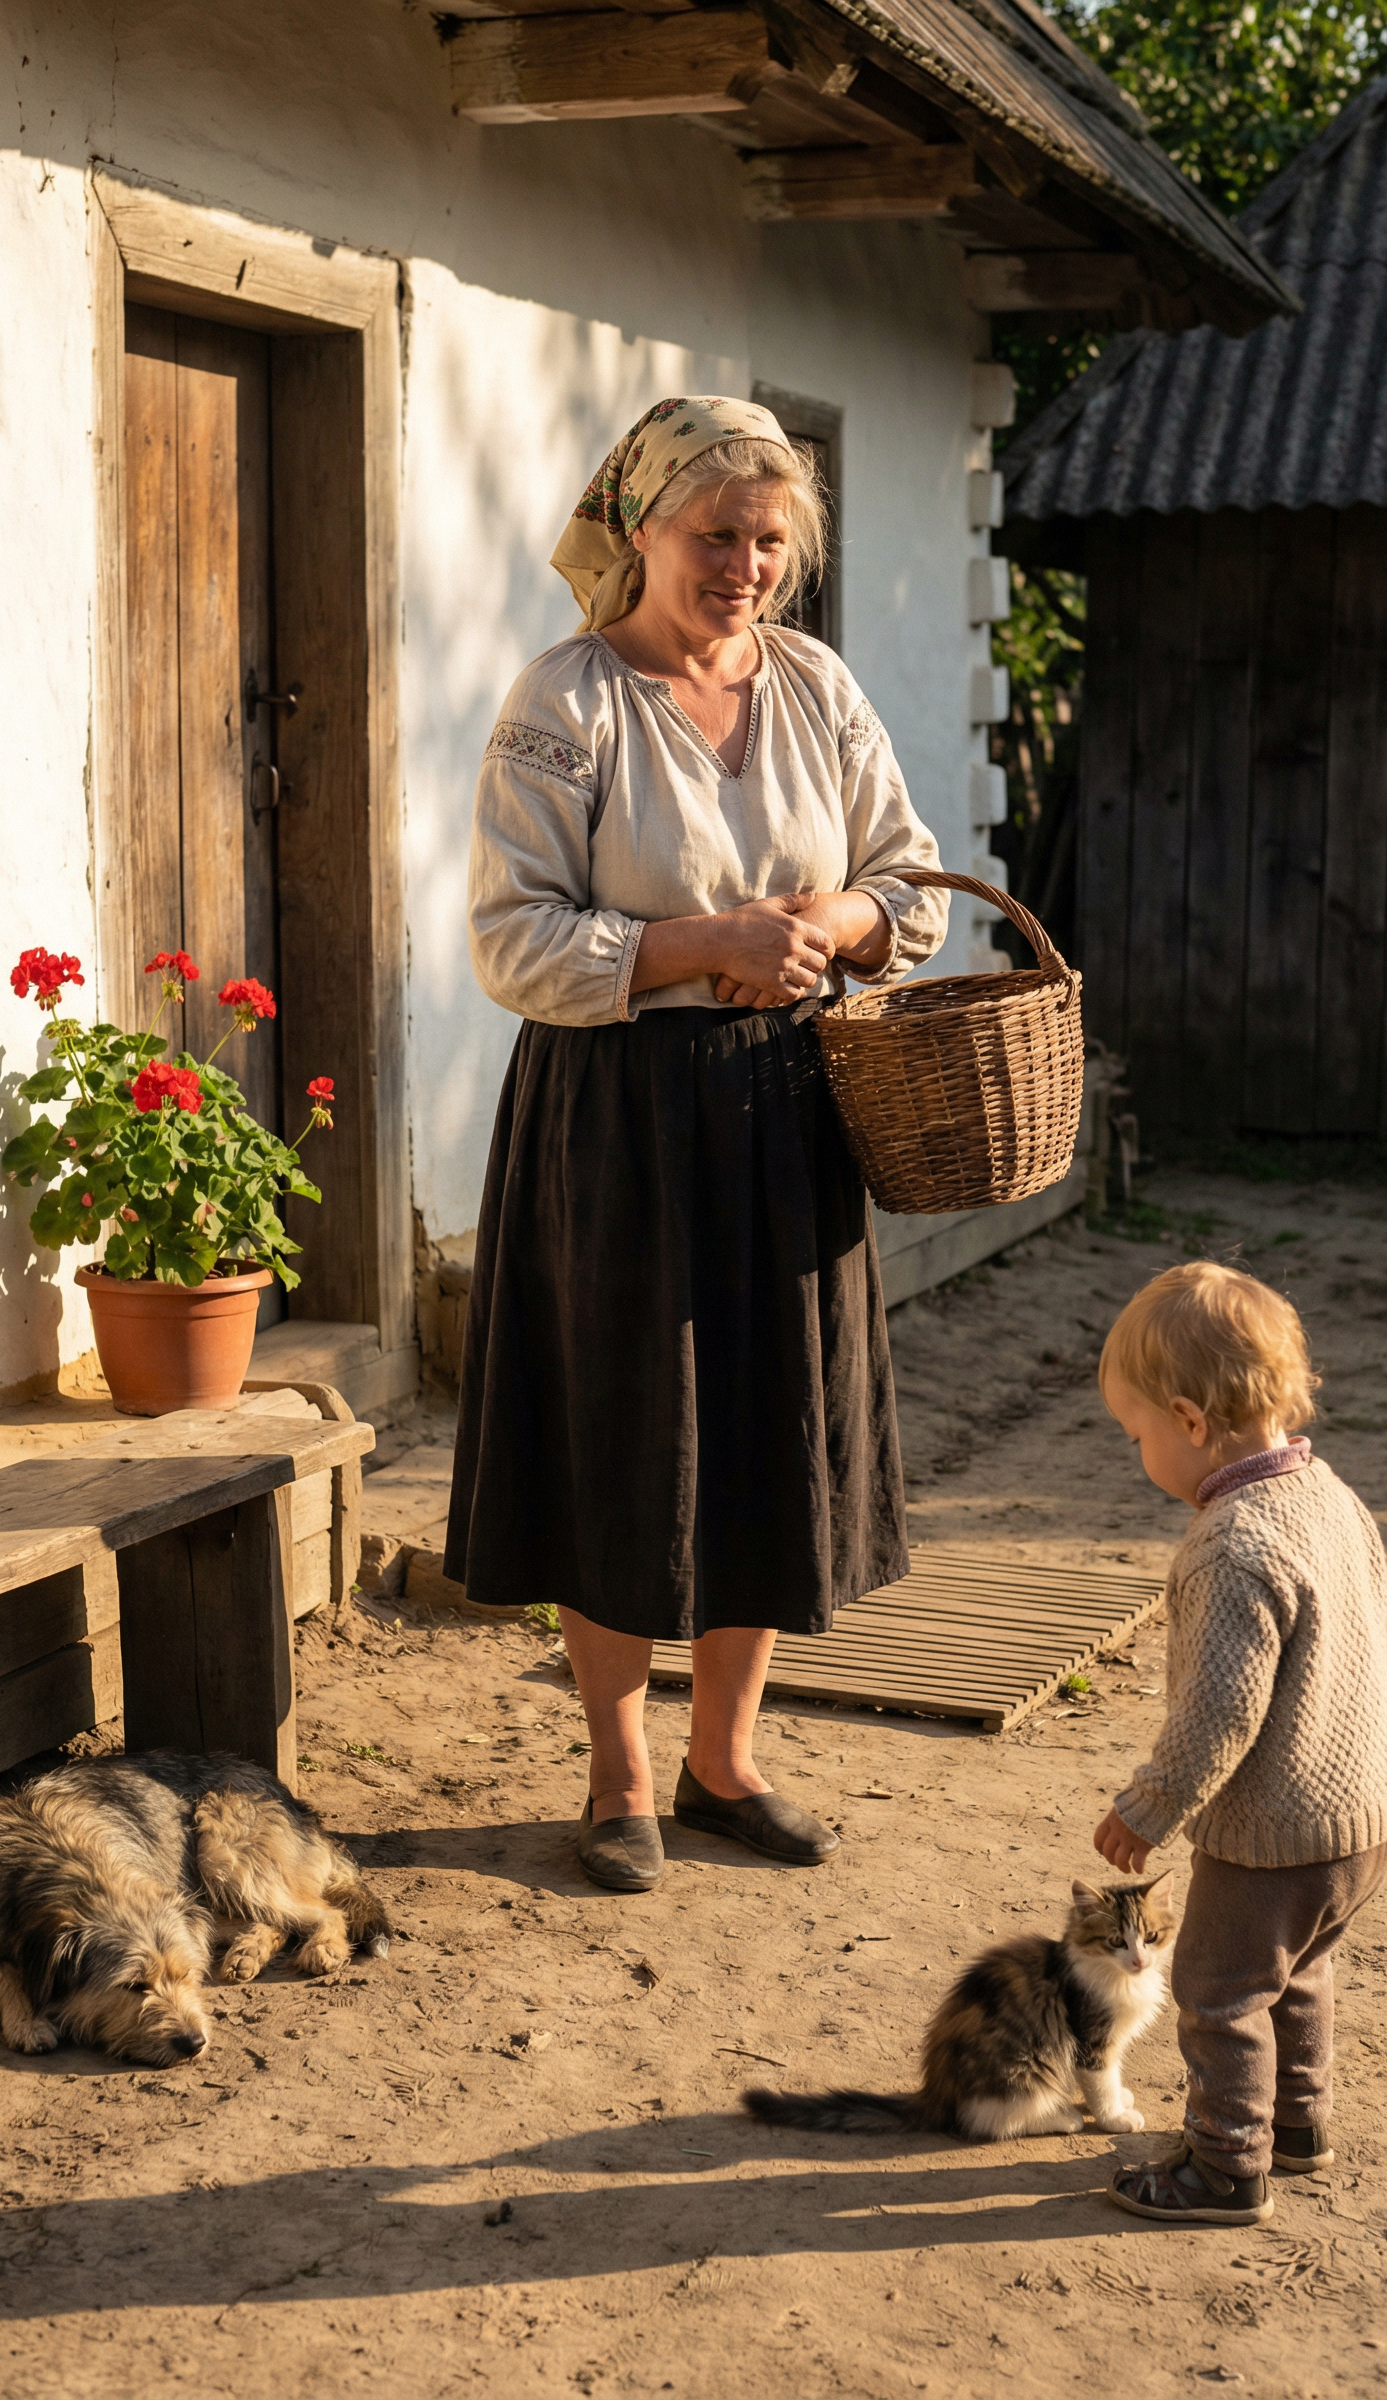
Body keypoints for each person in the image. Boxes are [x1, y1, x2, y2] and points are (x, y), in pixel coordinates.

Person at [444, 397, 949, 1894]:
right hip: (616, 1122)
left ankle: (725, 1760)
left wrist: (830, 924)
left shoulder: (815, 686)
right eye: (715, 533)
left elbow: (906, 878)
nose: (744, 565)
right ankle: (615, 1772)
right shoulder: (569, 698)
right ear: (645, 529)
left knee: (766, 1432)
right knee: (622, 1436)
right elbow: (510, 939)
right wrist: (692, 940)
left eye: (769, 540)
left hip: (787, 1114)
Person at [1091, 1261, 1387, 2226]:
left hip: (1275, 1829)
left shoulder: (1233, 1543)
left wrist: (1148, 1807)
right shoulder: (1329, 1491)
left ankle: (1227, 2164)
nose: (1137, 1453)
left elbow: (1220, 1711)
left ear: (1189, 1421)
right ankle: (1296, 2125)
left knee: (1218, 1990)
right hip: (1366, 1813)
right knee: (1297, 1971)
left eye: (1136, 1433)